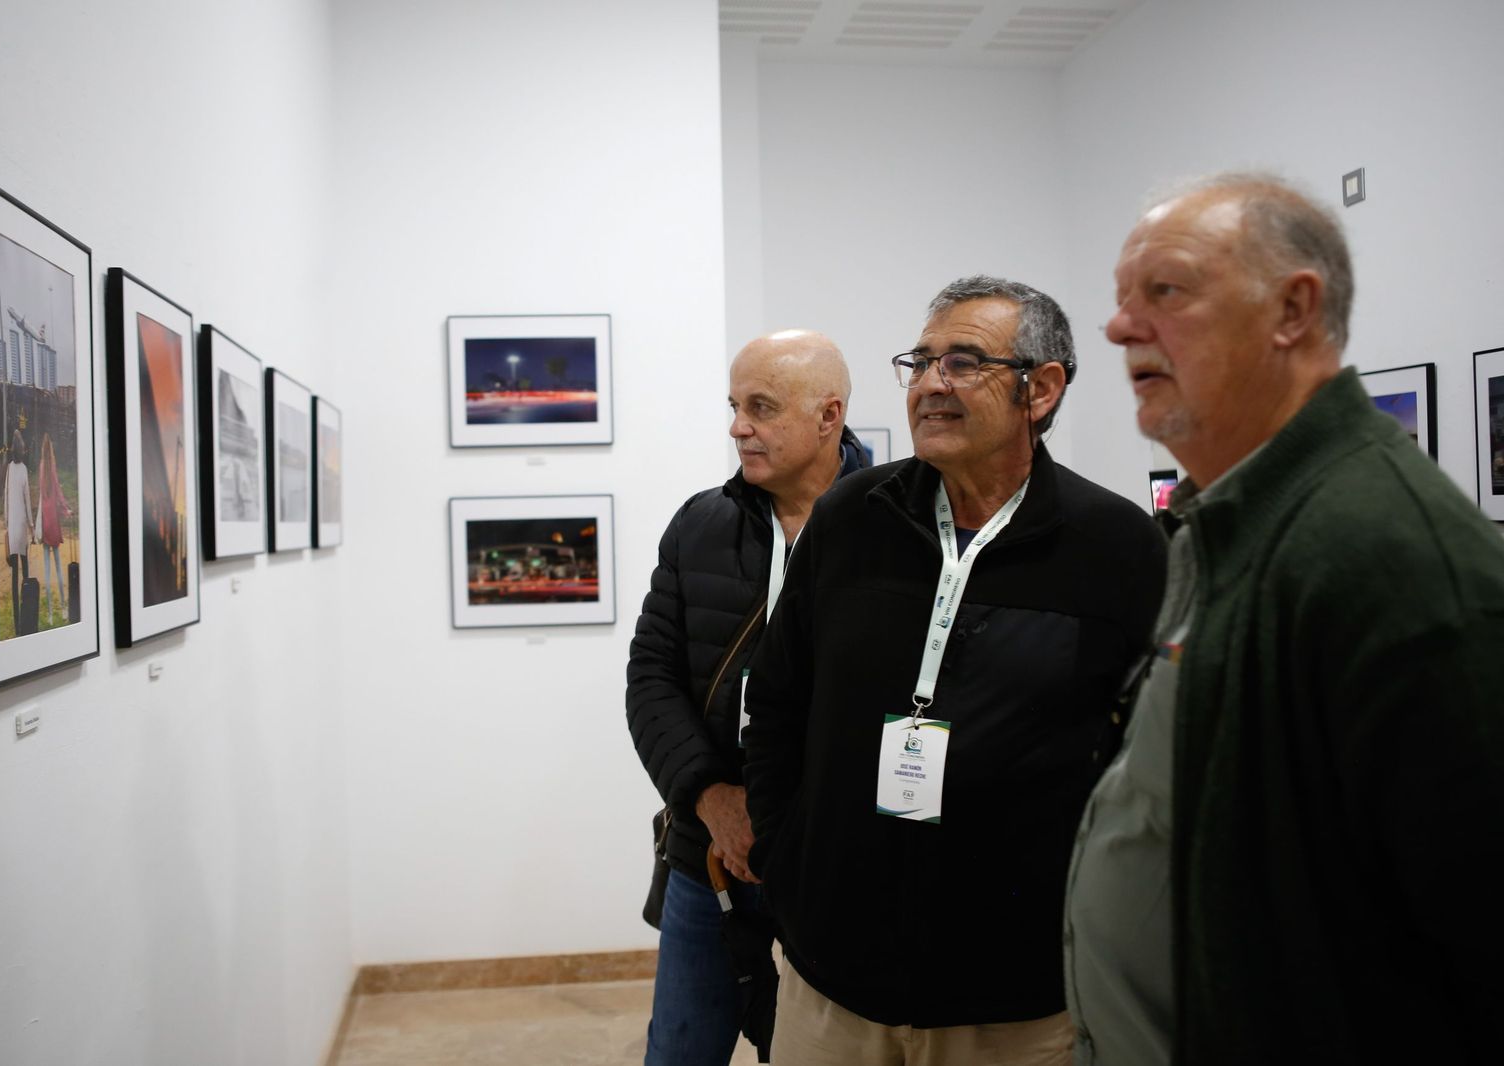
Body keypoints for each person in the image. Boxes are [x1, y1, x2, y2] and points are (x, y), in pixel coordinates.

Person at [1064, 172, 1504, 1064]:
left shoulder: (1396, 561)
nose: (1118, 327)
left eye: (1166, 290)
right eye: (1120, 301)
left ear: (1292, 310)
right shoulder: (1221, 523)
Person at [742, 277, 1166, 1066]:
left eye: (964, 362)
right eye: (922, 360)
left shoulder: (1118, 549)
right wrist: (788, 858)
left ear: (1040, 389)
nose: (932, 383)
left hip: (1017, 1002)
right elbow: (776, 702)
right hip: (831, 982)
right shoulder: (849, 520)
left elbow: (1143, 765)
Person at [628, 329, 869, 1066]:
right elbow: (651, 679)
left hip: (838, 868)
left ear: (828, 416)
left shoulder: (895, 531)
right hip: (708, 859)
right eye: (735, 405)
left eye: (761, 407)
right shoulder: (701, 525)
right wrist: (709, 797)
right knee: (678, 1052)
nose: (738, 426)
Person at [35, 431, 72, 625]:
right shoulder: (53, 469)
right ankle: (64, 608)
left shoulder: (41, 468)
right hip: (54, 524)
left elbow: (42, 495)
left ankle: (49, 613)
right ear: (52, 451)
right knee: (59, 570)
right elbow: (58, 492)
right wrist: (66, 509)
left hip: (44, 522)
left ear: (42, 450)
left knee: (47, 573)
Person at [3, 429, 35, 634]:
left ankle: (16, 617)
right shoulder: (23, 469)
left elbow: (6, 495)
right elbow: (28, 499)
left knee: (14, 568)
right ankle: (27, 612)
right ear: (22, 450)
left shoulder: (9, 468)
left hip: (12, 522)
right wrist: (31, 525)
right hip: (22, 522)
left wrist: (6, 520)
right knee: (25, 565)